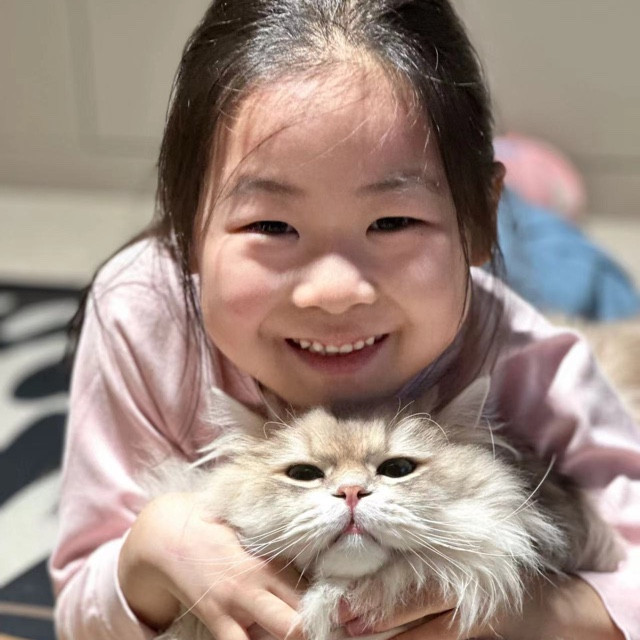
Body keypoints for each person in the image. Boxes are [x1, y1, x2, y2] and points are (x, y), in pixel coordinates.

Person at [49, 1, 640, 638]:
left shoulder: (529, 354)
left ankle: (525, 204)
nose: (334, 293)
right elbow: (79, 603)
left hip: (497, 263)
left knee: (581, 281)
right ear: (187, 229)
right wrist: (151, 548)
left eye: (392, 220)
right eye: (272, 225)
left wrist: (521, 611)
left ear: (476, 222)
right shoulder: (142, 312)